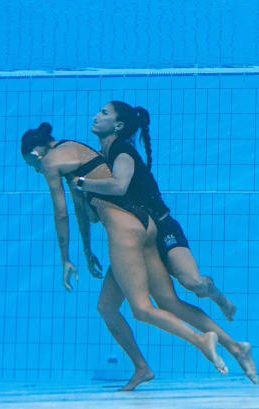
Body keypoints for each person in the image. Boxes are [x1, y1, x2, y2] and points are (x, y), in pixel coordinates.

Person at [20, 123, 229, 387]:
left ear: (36, 153)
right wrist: (86, 250)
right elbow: (80, 210)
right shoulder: (74, 151)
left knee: (142, 309)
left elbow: (60, 213)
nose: (36, 169)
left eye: (31, 164)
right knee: (108, 306)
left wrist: (65, 259)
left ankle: (202, 340)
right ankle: (142, 368)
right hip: (144, 224)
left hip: (124, 231)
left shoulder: (50, 162)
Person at [78, 102, 257, 389]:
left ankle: (219, 299)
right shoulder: (102, 156)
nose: (96, 116)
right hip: (137, 237)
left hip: (162, 227)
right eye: (97, 111)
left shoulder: (121, 151)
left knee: (193, 283)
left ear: (119, 125)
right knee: (133, 305)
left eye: (104, 113)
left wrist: (82, 183)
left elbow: (121, 185)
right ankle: (235, 348)